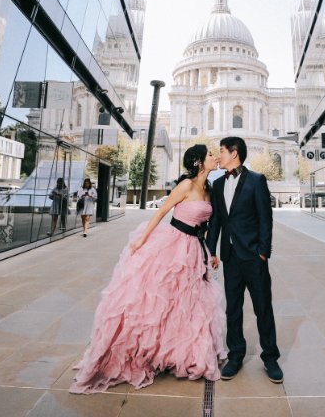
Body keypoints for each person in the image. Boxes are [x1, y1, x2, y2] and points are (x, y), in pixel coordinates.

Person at [70, 144, 227, 394]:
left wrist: (210, 251)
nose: (215, 157)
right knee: (158, 301)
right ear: (198, 161)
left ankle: (180, 353)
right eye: (210, 155)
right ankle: (146, 352)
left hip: (194, 250)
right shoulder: (186, 185)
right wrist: (143, 240)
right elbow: (162, 212)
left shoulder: (208, 189)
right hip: (173, 244)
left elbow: (205, 225)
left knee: (187, 303)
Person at [206, 136, 282, 384]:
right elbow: (216, 220)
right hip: (230, 257)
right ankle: (236, 355)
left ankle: (270, 358)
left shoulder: (257, 181)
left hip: (253, 256)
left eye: (222, 151)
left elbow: (265, 219)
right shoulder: (217, 184)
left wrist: (263, 252)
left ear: (234, 152)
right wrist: (211, 251)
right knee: (233, 309)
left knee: (263, 308)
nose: (219, 156)